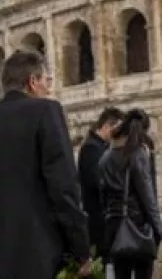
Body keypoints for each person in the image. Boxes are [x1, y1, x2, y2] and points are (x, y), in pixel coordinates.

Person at [0, 49, 93, 278]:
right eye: (45, 81)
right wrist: (81, 250)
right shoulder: (45, 111)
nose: (48, 89)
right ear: (32, 81)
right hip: (36, 251)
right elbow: (64, 187)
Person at [98, 108, 162, 279]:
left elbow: (103, 196)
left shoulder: (105, 156)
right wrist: (159, 231)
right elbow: (147, 197)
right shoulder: (137, 155)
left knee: (121, 274)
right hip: (137, 226)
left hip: (115, 226)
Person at [79, 106, 125, 262]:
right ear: (106, 126)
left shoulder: (99, 147)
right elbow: (97, 181)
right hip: (99, 220)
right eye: (117, 129)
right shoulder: (91, 148)